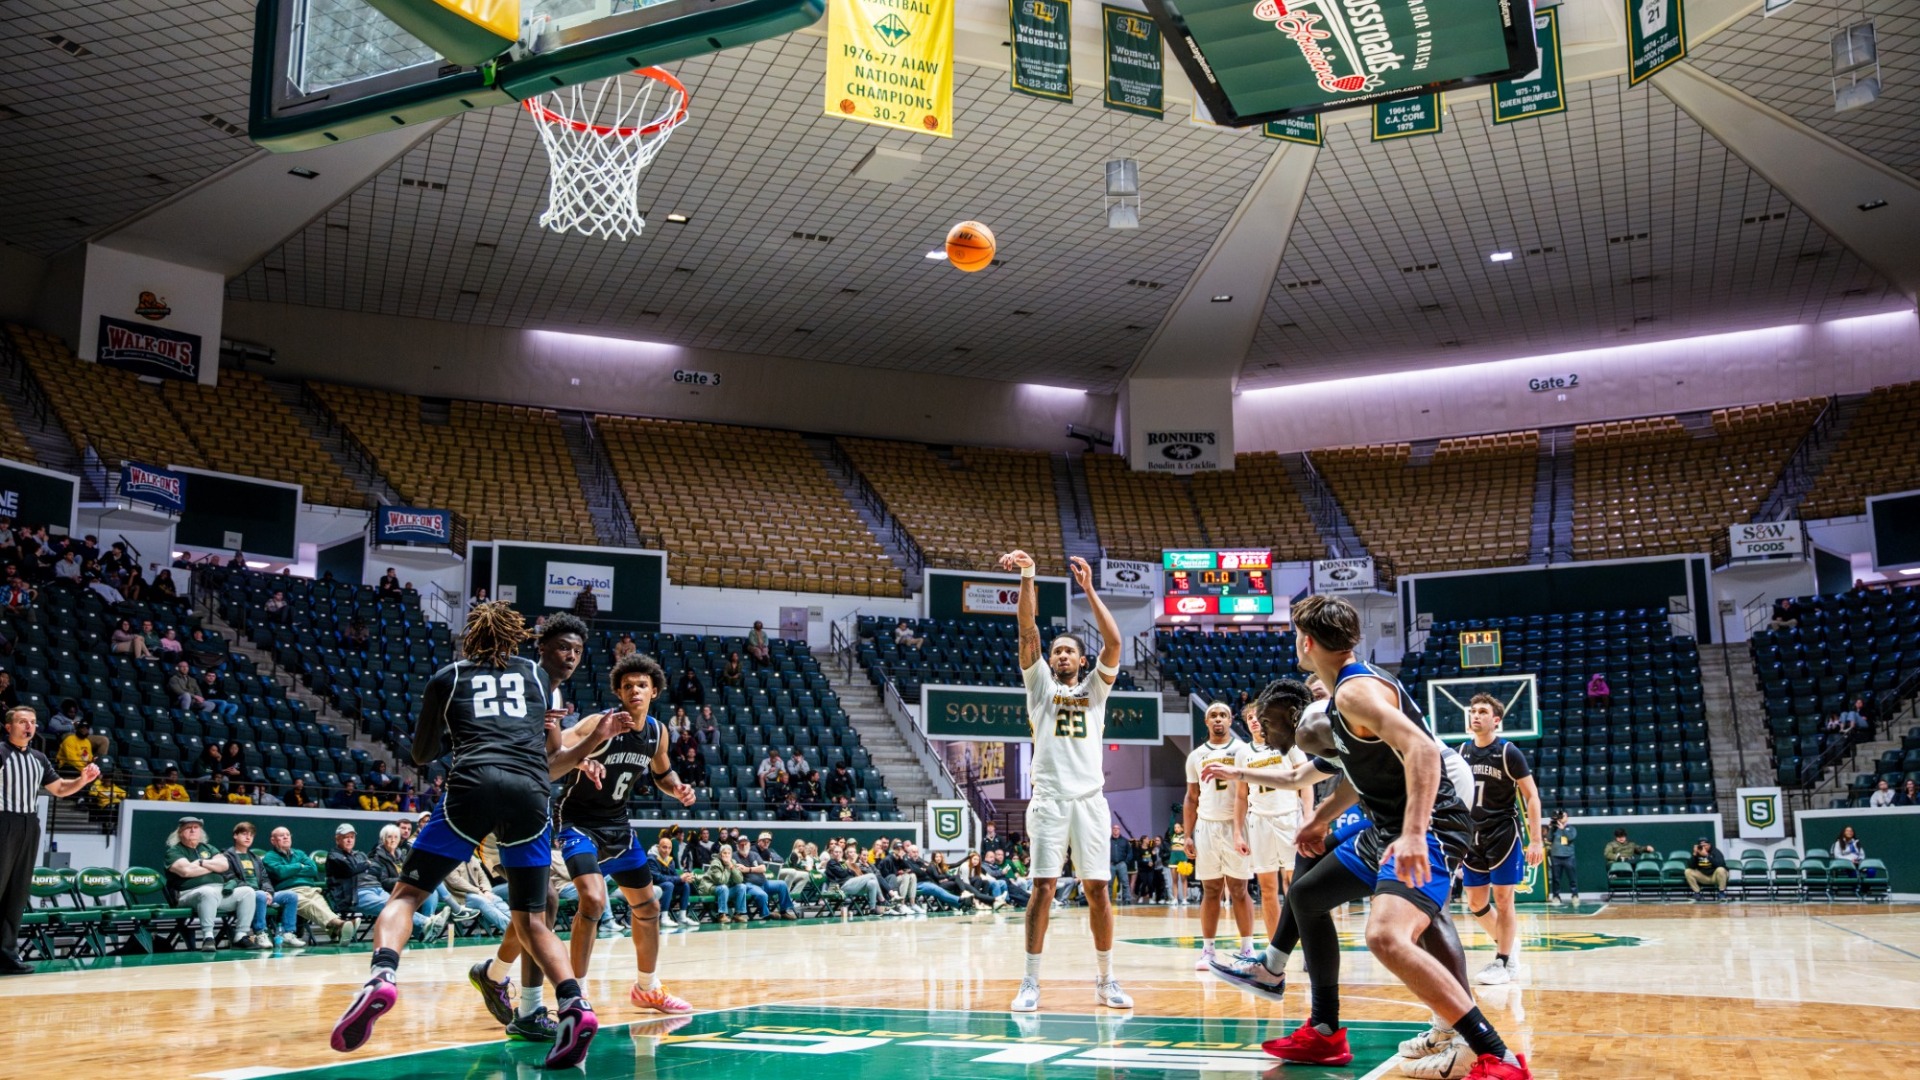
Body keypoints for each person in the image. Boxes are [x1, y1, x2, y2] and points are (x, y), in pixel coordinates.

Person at [1255, 596, 1526, 1080]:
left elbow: (1422, 748)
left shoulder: (1353, 694)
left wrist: (1417, 834)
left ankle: (1496, 1054)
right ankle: (1324, 1032)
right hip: (1384, 825)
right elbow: (1363, 771)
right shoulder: (1347, 689)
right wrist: (1320, 818)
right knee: (1307, 896)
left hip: (1432, 825)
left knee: (1385, 936)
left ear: (1308, 641)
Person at [329, 602, 610, 1069]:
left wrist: (449, 730)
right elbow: (547, 745)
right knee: (533, 918)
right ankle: (574, 1005)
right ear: (517, 638)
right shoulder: (539, 677)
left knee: (406, 895)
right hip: (530, 791)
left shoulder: (448, 676)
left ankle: (381, 975)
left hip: (472, 785)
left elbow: (421, 754)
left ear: (470, 638)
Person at [1000, 549, 1130, 1013]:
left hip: (1091, 800)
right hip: (1051, 799)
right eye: (1057, 650)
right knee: (1043, 887)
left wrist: (1091, 591)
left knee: (1098, 889)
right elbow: (1026, 629)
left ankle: (1106, 979)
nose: (1061, 655)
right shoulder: (1039, 685)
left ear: (1081, 658)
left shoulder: (1096, 689)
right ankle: (1031, 981)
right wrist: (1029, 575)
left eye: (1070, 650)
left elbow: (1114, 644)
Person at [545, 652, 697, 1015]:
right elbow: (553, 752)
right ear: (618, 692)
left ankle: (647, 988)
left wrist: (676, 788)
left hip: (617, 825)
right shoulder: (600, 724)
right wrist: (580, 759)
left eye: (642, 685)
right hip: (578, 823)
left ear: (654, 691)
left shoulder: (658, 732)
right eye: (627, 686)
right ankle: (575, 995)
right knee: (594, 901)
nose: (635, 690)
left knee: (649, 906)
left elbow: (663, 774)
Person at [1, 706, 101, 974]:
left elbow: (59, 789)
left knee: (17, 892)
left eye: (32, 722)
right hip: (3, 820)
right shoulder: (1, 752)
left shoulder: (39, 758)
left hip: (29, 824)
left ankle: (6, 954)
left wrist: (82, 780)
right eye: (22, 722)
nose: (28, 726)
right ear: (8, 726)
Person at [1459, 694, 1544, 985]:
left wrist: (1536, 840)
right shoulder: (1461, 751)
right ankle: (1507, 943)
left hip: (1502, 833)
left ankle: (1504, 960)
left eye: (1483, 711)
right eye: (1473, 711)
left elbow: (1531, 796)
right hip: (1472, 835)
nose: (1476, 715)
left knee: (1504, 898)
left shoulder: (1508, 752)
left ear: (1496, 720)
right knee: (1475, 902)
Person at [1183, 700, 1254, 971]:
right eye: (1213, 715)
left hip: (1236, 825)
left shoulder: (1242, 751)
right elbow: (1191, 798)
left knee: (1239, 888)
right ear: (1206, 721)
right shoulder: (1196, 756)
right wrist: (1187, 835)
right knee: (1210, 889)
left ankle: (1247, 947)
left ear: (1231, 719)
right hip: (1207, 826)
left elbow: (1247, 793)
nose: (1218, 720)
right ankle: (1208, 950)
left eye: (1223, 715)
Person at [1241, 701, 1314, 935]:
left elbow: (1306, 781)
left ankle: (1305, 942)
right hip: (1259, 820)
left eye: (1256, 716)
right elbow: (1241, 797)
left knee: (1296, 885)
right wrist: (1237, 831)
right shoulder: (1243, 753)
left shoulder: (1287, 743)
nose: (1253, 720)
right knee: (1267, 887)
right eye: (1249, 718)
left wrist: (1308, 816)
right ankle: (1274, 949)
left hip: (1289, 817)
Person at [165, 815, 260, 951]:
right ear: (180, 832)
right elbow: (186, 871)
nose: (193, 831)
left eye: (196, 828)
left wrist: (201, 862)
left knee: (248, 892)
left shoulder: (208, 848)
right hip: (188, 895)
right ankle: (208, 938)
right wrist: (211, 867)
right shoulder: (174, 851)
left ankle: (241, 935)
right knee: (207, 892)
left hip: (219, 891)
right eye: (188, 828)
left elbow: (224, 865)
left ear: (201, 832)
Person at [261, 826, 355, 944]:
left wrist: (290, 871)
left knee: (322, 906)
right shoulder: (269, 857)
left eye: (288, 835)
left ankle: (336, 930)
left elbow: (312, 869)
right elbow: (280, 873)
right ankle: (339, 924)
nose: (286, 837)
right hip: (289, 892)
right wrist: (299, 866)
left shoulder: (299, 853)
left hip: (310, 889)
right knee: (310, 905)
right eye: (281, 835)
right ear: (273, 840)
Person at [222, 821, 283, 950]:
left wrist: (269, 892)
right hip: (243, 894)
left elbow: (265, 879)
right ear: (235, 836)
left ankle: (288, 934)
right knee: (259, 895)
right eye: (244, 834)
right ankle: (260, 932)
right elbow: (230, 878)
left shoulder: (255, 858)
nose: (248, 838)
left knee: (291, 896)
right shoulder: (226, 856)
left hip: (262, 893)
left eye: (251, 835)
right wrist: (255, 891)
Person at [1546, 811, 1579, 905]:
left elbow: (1570, 838)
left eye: (1563, 816)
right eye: (1559, 816)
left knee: (1572, 878)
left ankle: (1575, 895)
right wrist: (1550, 828)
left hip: (1568, 857)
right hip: (1556, 856)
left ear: (1567, 818)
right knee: (1556, 879)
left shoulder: (1571, 828)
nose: (1560, 818)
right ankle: (1556, 896)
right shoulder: (1554, 829)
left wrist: (1563, 829)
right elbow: (1548, 839)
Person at [1683, 837, 1726, 901]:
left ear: (1709, 845)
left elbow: (1720, 864)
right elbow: (1690, 866)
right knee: (1688, 871)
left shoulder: (1716, 852)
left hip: (1715, 876)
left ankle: (1721, 893)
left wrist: (1707, 855)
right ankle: (1697, 893)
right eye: (1701, 846)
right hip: (1703, 876)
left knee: (1721, 869)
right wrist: (1694, 855)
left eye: (1705, 845)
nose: (1703, 847)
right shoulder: (1697, 853)